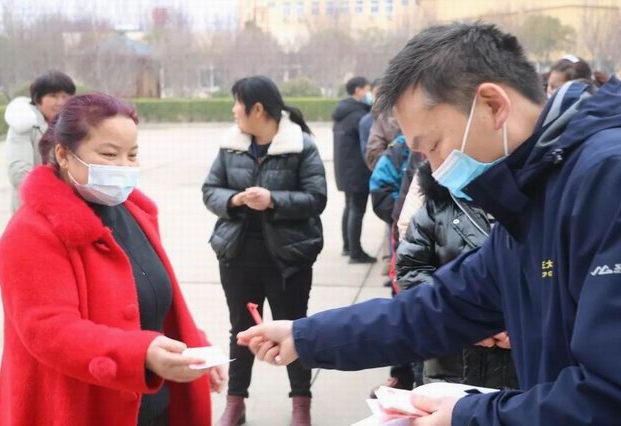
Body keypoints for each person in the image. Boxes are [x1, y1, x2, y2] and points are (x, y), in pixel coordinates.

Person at [238, 22, 621, 425]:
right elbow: (439, 307)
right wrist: (306, 336)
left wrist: (466, 415)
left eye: (433, 146)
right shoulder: (532, 195)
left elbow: (607, 396)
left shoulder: (606, 181)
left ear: (492, 105)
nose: (435, 171)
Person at [0, 93, 224, 426]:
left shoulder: (133, 212)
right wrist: (140, 354)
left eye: (132, 154)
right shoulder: (31, 232)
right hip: (82, 410)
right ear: (64, 155)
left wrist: (194, 344)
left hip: (154, 407)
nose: (124, 167)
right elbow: (49, 330)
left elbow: (154, 299)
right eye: (109, 154)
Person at [202, 75, 326, 426]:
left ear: (257, 109)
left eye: (237, 103)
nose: (233, 110)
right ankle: (235, 402)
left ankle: (301, 403)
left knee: (296, 329)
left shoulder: (300, 145)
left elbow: (316, 198)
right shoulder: (231, 146)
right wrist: (235, 200)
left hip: (288, 258)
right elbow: (210, 190)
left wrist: (273, 200)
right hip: (237, 255)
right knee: (241, 331)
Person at [396, 162, 518, 390]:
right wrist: (463, 318)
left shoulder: (535, 203)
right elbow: (410, 269)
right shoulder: (436, 206)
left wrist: (520, 324)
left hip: (520, 369)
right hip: (450, 362)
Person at [5, 70, 76, 211]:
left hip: (67, 205)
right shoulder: (23, 123)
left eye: (65, 96)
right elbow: (19, 172)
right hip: (36, 206)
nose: (60, 102)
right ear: (38, 99)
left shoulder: (71, 123)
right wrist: (51, 196)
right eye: (53, 96)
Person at [333, 76, 376, 263]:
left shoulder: (343, 113)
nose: (368, 93)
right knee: (357, 210)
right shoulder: (359, 116)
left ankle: (347, 246)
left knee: (350, 207)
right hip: (358, 170)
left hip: (345, 170)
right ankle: (355, 252)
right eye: (367, 89)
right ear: (358, 90)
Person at [359, 78, 381, 157]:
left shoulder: (401, 117)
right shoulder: (366, 121)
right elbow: (368, 154)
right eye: (377, 94)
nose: (380, 98)